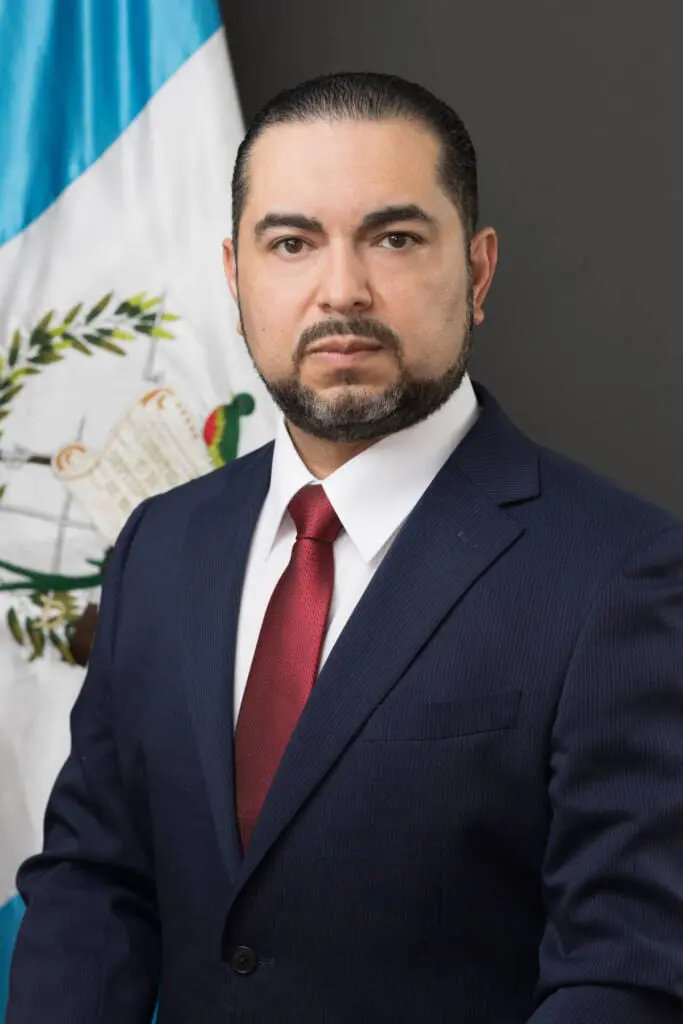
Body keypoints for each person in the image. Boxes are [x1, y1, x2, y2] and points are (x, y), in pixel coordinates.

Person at [7, 71, 683, 1024]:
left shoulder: (621, 574)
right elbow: (95, 883)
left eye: (394, 238)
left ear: (478, 272)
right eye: (291, 243)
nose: (341, 291)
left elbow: (625, 977)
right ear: (235, 276)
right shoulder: (161, 544)